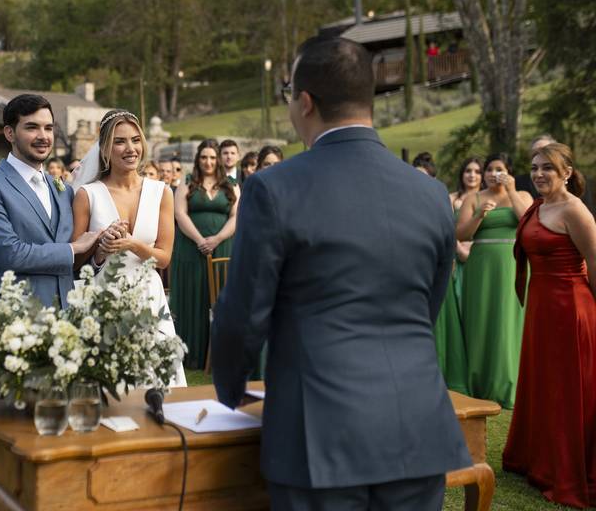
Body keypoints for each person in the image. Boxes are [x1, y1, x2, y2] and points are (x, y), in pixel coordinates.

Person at [212, 36, 470, 511]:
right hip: (416, 423)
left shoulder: (273, 188)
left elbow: (245, 312)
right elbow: (426, 307)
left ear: (305, 102)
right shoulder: (430, 194)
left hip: (321, 432)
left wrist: (229, 388)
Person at [503, 143, 596, 508]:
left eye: (549, 169)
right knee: (544, 384)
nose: (539, 174)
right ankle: (536, 460)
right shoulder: (539, 207)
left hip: (571, 311)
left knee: (568, 389)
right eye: (535, 167)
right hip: (542, 310)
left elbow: (593, 261)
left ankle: (566, 469)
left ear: (567, 174)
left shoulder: (576, 211)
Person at [70, 109, 186, 386]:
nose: (130, 148)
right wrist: (101, 249)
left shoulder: (162, 192)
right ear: (105, 148)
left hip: (149, 296)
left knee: (158, 378)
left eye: (135, 140)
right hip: (105, 296)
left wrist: (133, 244)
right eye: (120, 141)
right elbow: (74, 262)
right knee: (111, 382)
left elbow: (164, 258)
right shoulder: (88, 195)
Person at [0, 95, 101, 307]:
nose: (43, 136)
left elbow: (70, 266)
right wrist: (73, 248)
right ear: (9, 133)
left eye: (48, 128)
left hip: (66, 319)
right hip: (16, 318)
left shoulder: (63, 190)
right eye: (32, 128)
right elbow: (10, 254)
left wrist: (99, 254)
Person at [456, 152, 533, 407]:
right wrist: (479, 215)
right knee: (482, 319)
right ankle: (480, 383)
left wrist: (511, 190)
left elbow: (529, 222)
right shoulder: (473, 198)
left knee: (508, 320)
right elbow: (460, 234)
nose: (492, 174)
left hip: (513, 264)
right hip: (481, 267)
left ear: (509, 172)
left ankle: (511, 384)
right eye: (489, 169)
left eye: (498, 169)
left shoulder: (522, 196)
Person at [169, 139, 239, 370]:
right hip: (191, 249)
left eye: (212, 157)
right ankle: (191, 356)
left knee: (221, 299)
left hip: (223, 247)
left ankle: (220, 356)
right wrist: (200, 240)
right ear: (198, 160)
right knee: (193, 296)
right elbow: (180, 214)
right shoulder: (187, 183)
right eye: (203, 157)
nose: (208, 162)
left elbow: (236, 217)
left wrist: (217, 239)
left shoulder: (231, 184)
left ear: (218, 159)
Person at [433, 157, 481, 392]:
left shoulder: (488, 198)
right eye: (468, 170)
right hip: (454, 260)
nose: (472, 175)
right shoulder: (451, 199)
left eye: (476, 171)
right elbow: (447, 229)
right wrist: (458, 250)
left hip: (478, 261)